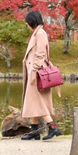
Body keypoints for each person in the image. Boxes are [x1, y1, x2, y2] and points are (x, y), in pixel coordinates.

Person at [20, 10, 61, 141]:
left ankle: (53, 127)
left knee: (37, 102)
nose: (26, 25)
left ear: (31, 22)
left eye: (27, 23)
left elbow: (40, 54)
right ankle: (35, 130)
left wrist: (33, 70)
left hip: (37, 73)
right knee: (33, 102)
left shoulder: (40, 33)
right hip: (34, 72)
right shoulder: (37, 33)